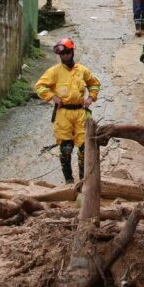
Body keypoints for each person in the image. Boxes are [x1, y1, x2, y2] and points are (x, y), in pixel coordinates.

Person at [35, 38, 101, 184]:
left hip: (80, 113)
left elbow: (94, 84)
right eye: (61, 54)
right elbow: (39, 86)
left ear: (71, 52)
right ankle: (69, 181)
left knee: (85, 148)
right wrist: (52, 96)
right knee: (66, 148)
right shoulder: (54, 72)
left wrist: (90, 98)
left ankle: (84, 181)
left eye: (65, 53)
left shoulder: (82, 71)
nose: (63, 56)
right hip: (63, 113)